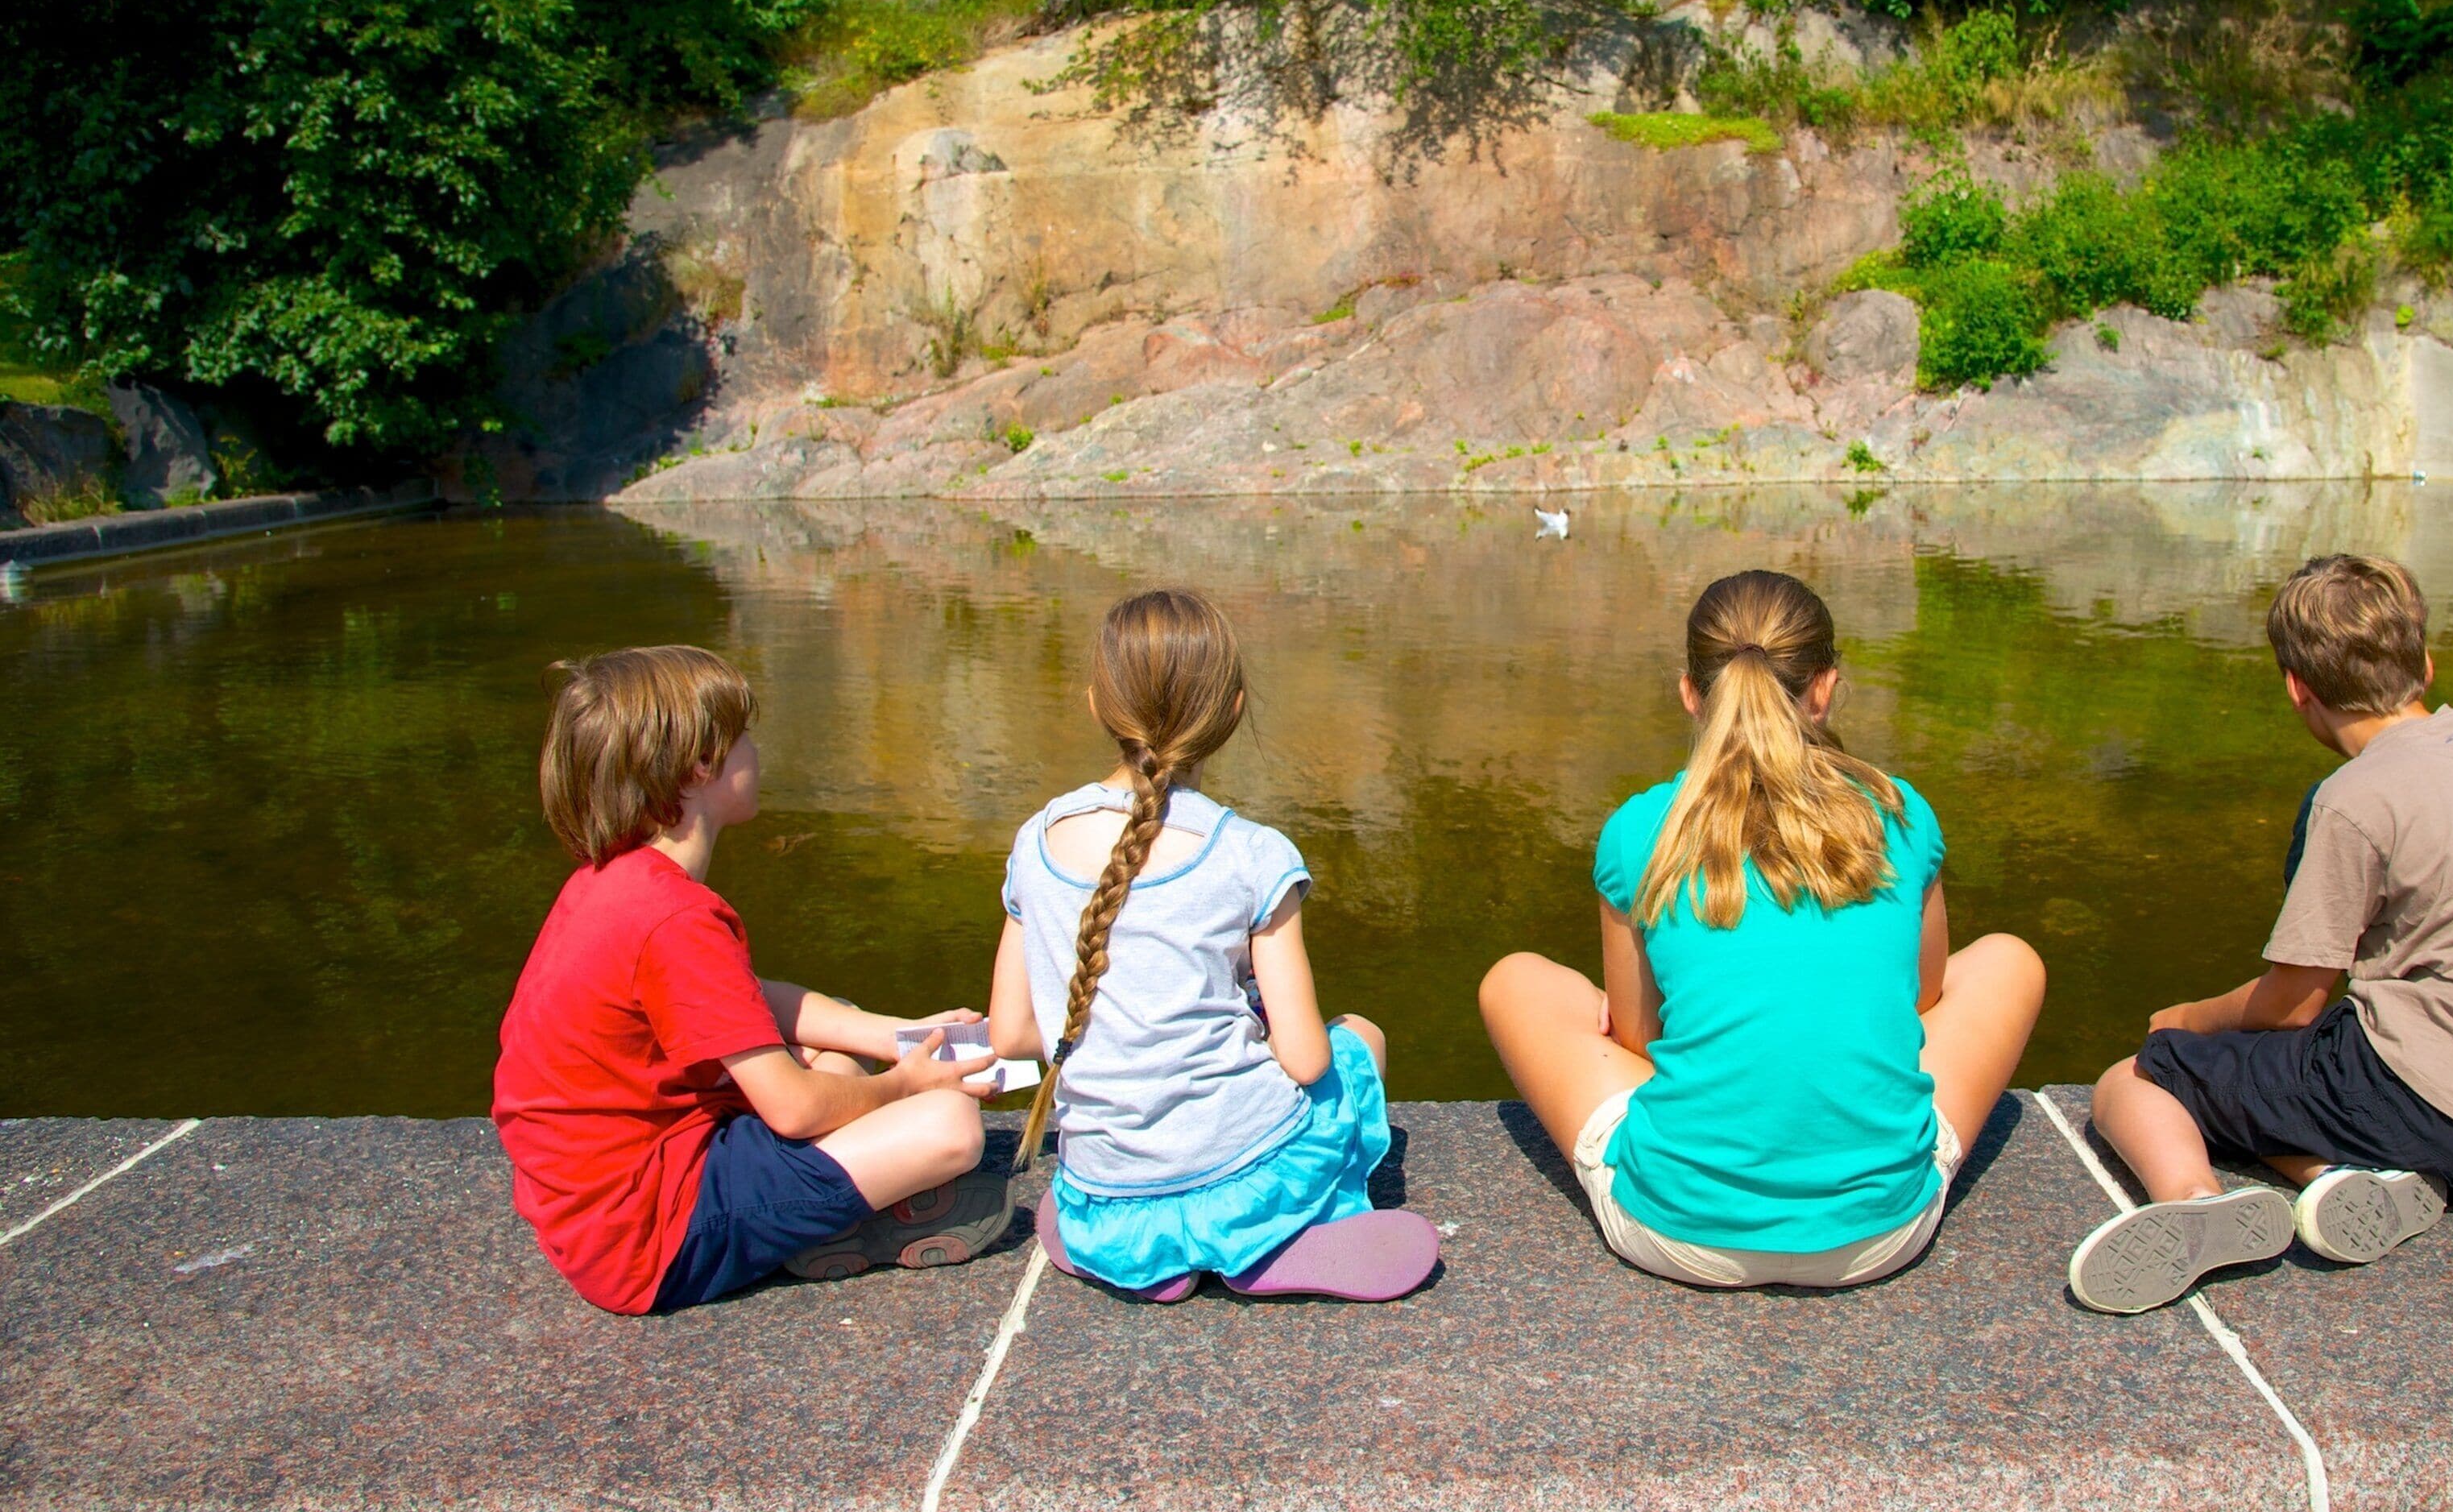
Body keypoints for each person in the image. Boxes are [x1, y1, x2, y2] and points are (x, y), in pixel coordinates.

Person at [1480, 570, 2046, 1289]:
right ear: (1825, 688)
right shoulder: (1899, 810)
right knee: (2007, 960)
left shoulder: (1640, 827)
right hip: (1883, 1234)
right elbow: (1925, 998)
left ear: (1691, 692)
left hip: (1674, 1233)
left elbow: (1638, 1042)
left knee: (1517, 981)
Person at [2068, 554, 2453, 1315]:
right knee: (2268, 1082)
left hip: (2412, 1101)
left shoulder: (2353, 799)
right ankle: (2341, 1182)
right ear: (2425, 664)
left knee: (2139, 1078)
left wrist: (2179, 1019)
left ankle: (2197, 1203)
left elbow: (2293, 1006)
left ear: (2296, 687)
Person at [495, 646, 1013, 1317]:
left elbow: (744, 997)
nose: (756, 752)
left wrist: (899, 1036)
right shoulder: (675, 919)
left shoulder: (615, 883)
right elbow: (793, 1111)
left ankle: (832, 1203)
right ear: (701, 764)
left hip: (603, 1203)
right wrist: (906, 1084)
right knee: (950, 1125)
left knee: (838, 1037)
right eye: (743, 737)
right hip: (650, 1239)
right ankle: (847, 1222)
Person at [986, 589, 1437, 1303]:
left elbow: (1011, 1034)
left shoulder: (1035, 841)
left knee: (1111, 1196)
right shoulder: (1251, 853)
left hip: (1106, 1194)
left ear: (1098, 705)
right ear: (1232, 710)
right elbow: (1306, 1059)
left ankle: (1155, 1255)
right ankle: (1279, 1235)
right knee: (1358, 1039)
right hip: (1247, 1175)